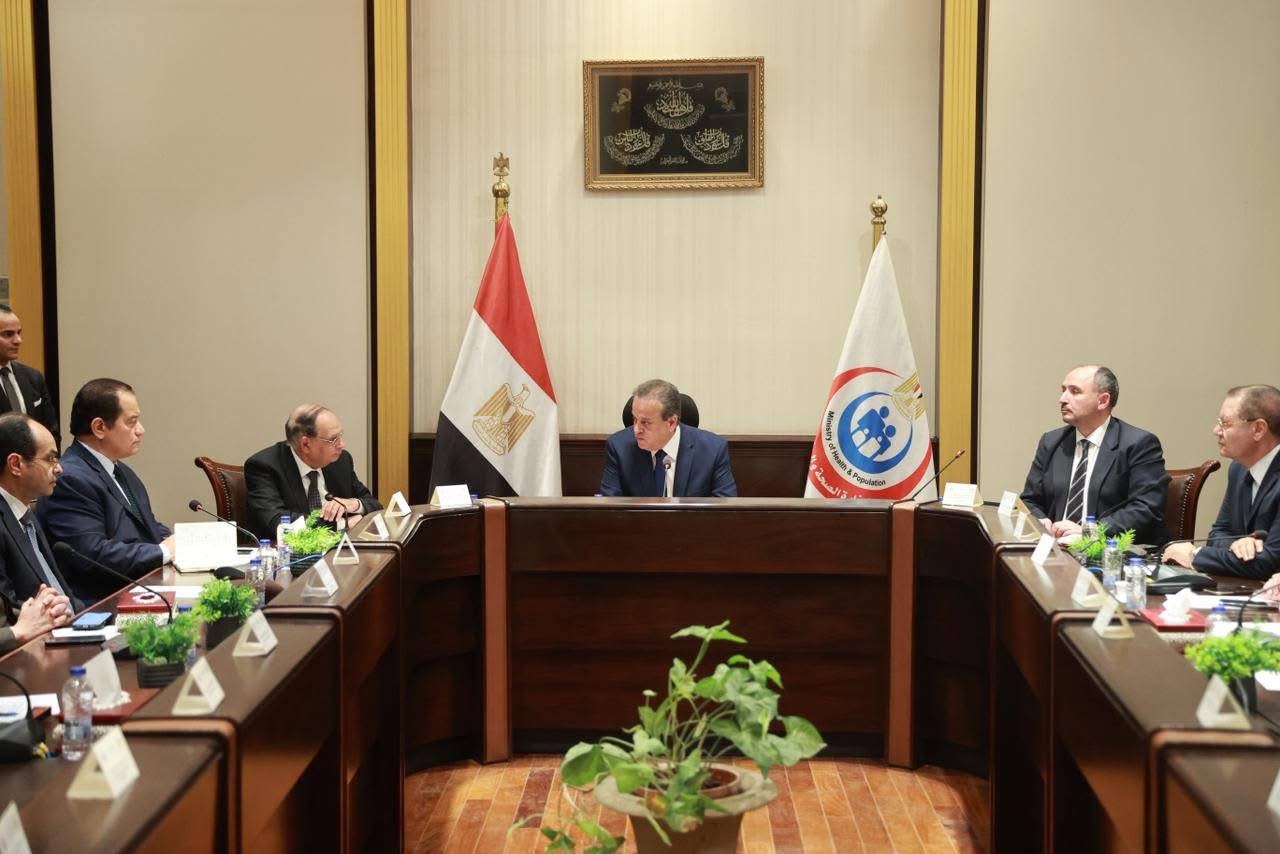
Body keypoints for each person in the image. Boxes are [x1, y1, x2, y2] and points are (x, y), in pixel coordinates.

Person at [37, 379, 174, 604]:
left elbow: (147, 526)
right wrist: (164, 552)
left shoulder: (122, 471)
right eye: (131, 422)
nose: (141, 430)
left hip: (141, 589)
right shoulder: (70, 479)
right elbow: (91, 554)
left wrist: (180, 540)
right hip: (102, 603)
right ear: (99, 427)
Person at [1019, 365, 1170, 545]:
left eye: (1074, 391)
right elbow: (1030, 500)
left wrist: (1089, 531)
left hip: (1111, 551)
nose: (1062, 399)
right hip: (1056, 548)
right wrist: (1039, 520)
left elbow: (1145, 508)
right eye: (1063, 390)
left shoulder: (1138, 444)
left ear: (1103, 401)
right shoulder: (1051, 442)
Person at [1166, 385, 1280, 581]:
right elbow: (1218, 533)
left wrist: (1194, 556)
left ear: (1258, 429)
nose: (1216, 430)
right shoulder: (1238, 469)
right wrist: (1238, 543)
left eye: (1225, 423)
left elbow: (1269, 562)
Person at [244, 404, 381, 540]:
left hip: (341, 548)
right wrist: (340, 524)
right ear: (305, 444)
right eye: (333, 439)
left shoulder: (340, 461)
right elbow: (277, 521)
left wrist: (354, 504)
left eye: (340, 436)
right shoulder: (264, 466)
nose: (341, 444)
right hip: (291, 550)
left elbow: (374, 505)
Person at [600, 379, 737, 498]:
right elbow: (610, 508)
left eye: (645, 422)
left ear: (671, 423)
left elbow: (725, 509)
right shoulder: (619, 447)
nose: (636, 429)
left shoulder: (713, 450)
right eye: (635, 419)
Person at [0, 413, 81, 613]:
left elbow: (61, 592)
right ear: (15, 464)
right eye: (50, 459)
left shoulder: (25, 514)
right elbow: (6, 612)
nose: (59, 468)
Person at [0, 304, 60, 448]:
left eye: (19, 333)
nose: (18, 340)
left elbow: (51, 430)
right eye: (8, 334)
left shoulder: (33, 377)